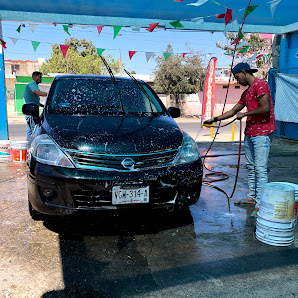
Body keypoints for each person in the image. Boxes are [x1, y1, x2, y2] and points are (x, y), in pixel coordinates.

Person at [203, 62, 277, 218]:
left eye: (237, 78)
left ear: (244, 72)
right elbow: (233, 111)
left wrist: (246, 114)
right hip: (251, 132)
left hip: (263, 133)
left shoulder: (260, 85)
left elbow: (266, 108)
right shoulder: (247, 92)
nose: (237, 81)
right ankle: (252, 197)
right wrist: (214, 119)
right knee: (250, 166)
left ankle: (261, 204)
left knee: (260, 169)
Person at [23, 71, 47, 141]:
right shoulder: (32, 84)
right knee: (34, 129)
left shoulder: (32, 85)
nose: (41, 79)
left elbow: (35, 100)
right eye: (40, 77)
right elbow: (37, 92)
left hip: (30, 110)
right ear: (34, 77)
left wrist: (43, 106)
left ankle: (29, 143)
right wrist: (49, 94)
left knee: (30, 129)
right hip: (31, 111)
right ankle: (32, 143)